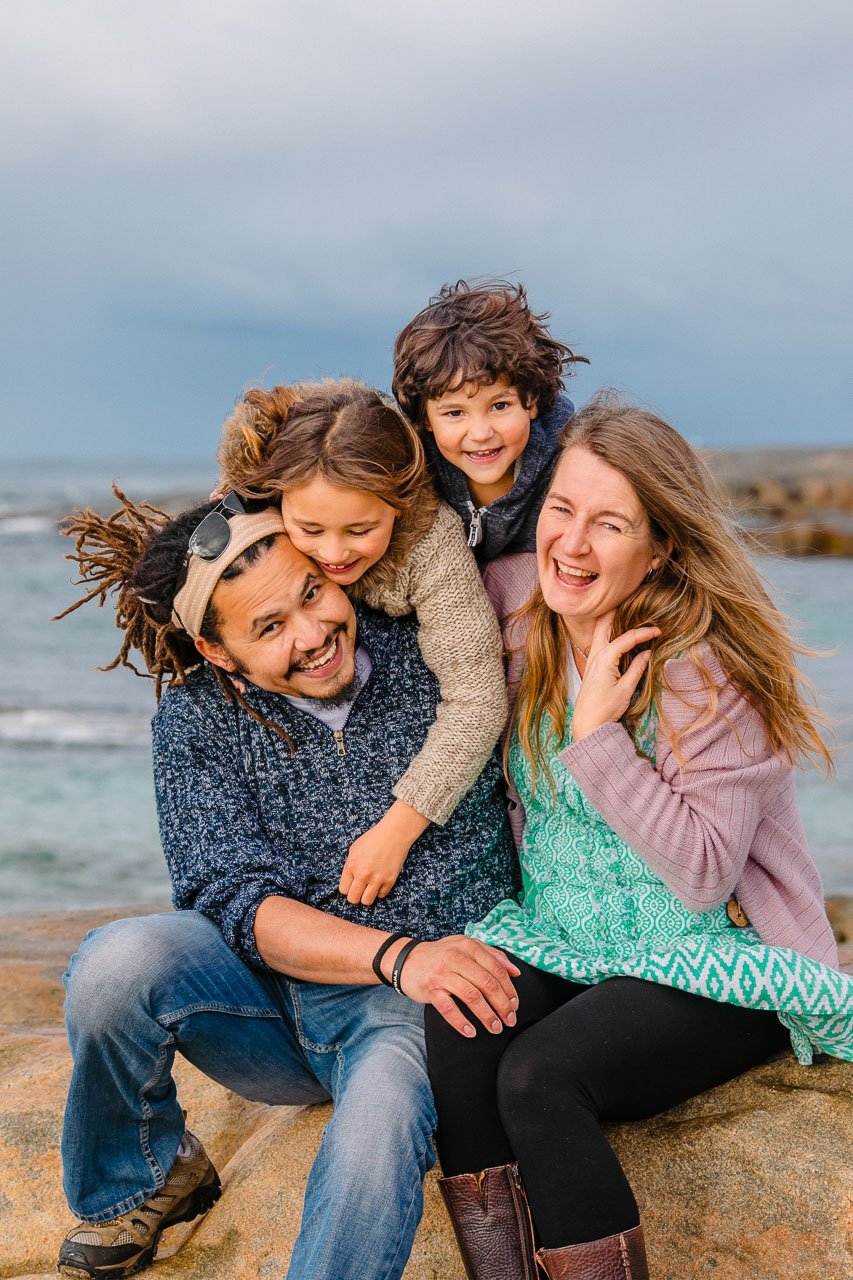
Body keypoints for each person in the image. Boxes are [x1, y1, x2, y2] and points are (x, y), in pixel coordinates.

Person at [424, 396, 852, 1280]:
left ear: (659, 545)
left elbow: (701, 874)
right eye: (561, 511)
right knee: (460, 1022)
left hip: (711, 956)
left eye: (609, 524)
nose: (571, 546)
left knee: (538, 1078)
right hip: (568, 936)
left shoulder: (703, 663)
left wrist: (596, 739)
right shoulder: (516, 609)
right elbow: (382, 559)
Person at [53, 492, 522, 1280]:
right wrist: (400, 953)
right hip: (267, 1011)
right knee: (114, 964)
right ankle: (148, 1177)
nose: (313, 636)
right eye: (270, 628)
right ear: (218, 652)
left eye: (312, 593)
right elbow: (232, 899)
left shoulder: (434, 653)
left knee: (377, 1125)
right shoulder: (193, 721)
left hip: (407, 1016)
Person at [216, 379, 509, 906]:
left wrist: (396, 831)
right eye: (310, 529)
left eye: (359, 530)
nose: (333, 553)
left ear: (399, 502)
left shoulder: (432, 544)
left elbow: (479, 699)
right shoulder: (254, 510)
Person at [392, 278, 588, 560]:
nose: (481, 433)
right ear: (425, 419)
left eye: (499, 406)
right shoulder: (409, 467)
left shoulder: (567, 464)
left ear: (531, 401)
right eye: (455, 413)